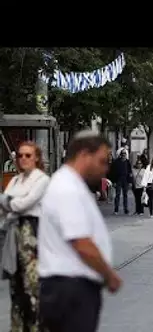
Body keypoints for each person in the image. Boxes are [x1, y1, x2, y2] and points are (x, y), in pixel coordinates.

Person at [38, 132, 122, 332]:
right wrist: (109, 275)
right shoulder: (68, 189)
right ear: (84, 154)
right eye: (102, 161)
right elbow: (81, 243)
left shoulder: (71, 184)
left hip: (67, 288)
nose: (106, 168)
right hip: (70, 289)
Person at [0, 141, 50, 331]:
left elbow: (24, 204)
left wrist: (8, 202)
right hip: (14, 232)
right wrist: (10, 203)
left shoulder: (42, 180)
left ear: (36, 157)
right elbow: (8, 206)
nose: (23, 159)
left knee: (32, 287)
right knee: (16, 284)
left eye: (28, 155)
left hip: (32, 233)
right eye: (20, 155)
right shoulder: (15, 180)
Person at [109, 150, 133, 215]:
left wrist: (130, 182)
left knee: (125, 195)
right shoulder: (116, 162)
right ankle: (116, 209)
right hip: (118, 180)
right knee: (117, 195)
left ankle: (126, 209)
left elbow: (130, 172)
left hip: (125, 180)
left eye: (125, 154)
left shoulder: (127, 162)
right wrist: (113, 182)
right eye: (122, 154)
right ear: (120, 154)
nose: (124, 155)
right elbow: (112, 172)